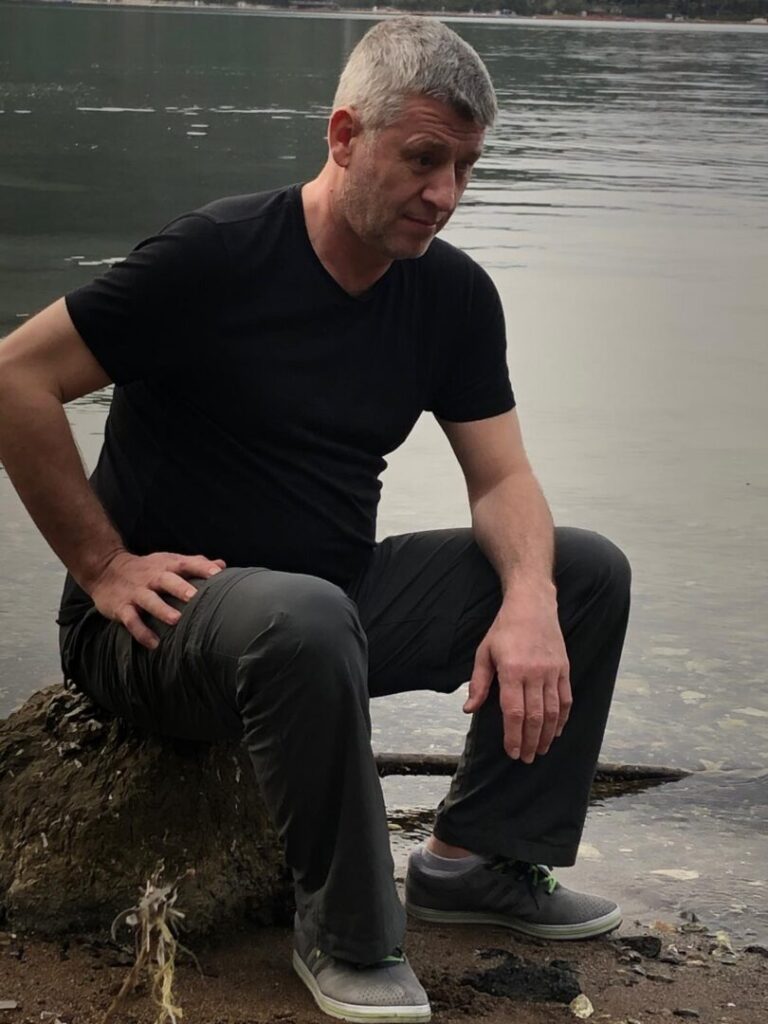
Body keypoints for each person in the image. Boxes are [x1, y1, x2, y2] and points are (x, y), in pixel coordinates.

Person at [0, 16, 630, 1024]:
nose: (446, 193)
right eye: (423, 159)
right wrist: (102, 565)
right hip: (156, 628)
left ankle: (477, 859)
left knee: (580, 572)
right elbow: (15, 378)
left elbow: (503, 480)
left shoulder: (452, 296)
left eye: (465, 167)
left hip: (327, 610)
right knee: (305, 616)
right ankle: (345, 933)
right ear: (344, 135)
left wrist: (528, 601)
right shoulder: (214, 258)